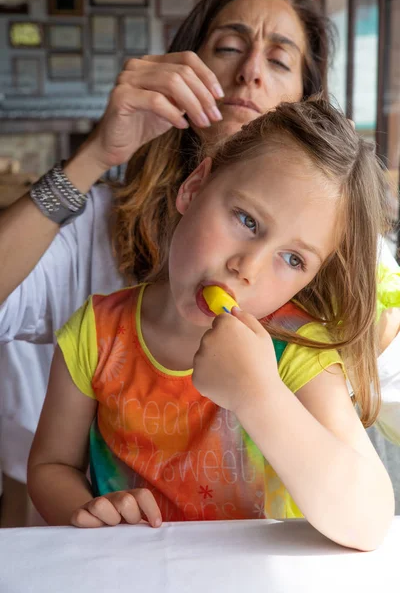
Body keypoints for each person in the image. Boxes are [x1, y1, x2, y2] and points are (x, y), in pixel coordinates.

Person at [28, 99, 394, 552]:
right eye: (247, 220)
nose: (248, 268)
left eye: (293, 259)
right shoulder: (95, 334)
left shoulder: (299, 348)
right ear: (193, 187)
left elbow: (369, 521)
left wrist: (258, 395)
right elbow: (51, 467)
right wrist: (86, 513)